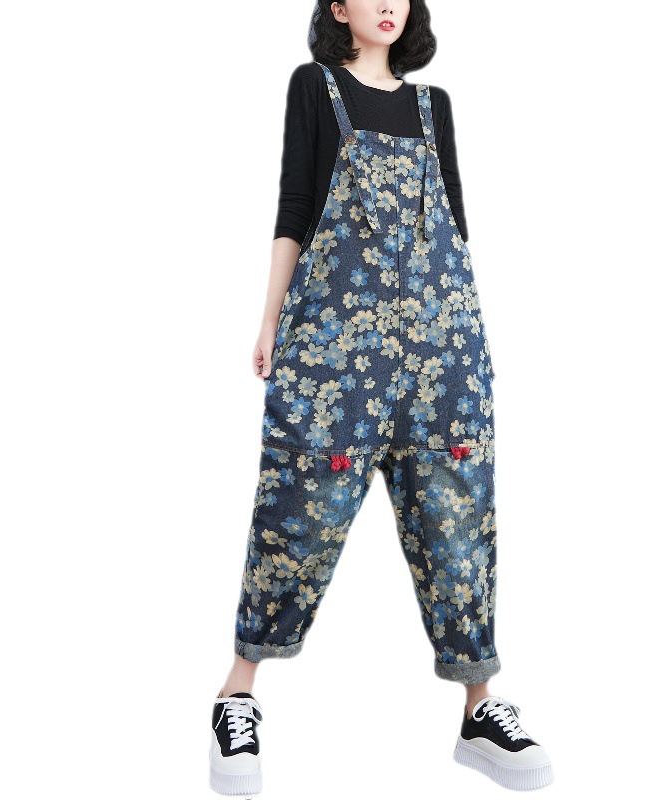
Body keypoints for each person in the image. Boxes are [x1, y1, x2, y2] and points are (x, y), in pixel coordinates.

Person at [209, 1, 553, 794]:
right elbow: (296, 208)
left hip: (442, 349)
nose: (388, 2)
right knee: (296, 513)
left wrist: (466, 336)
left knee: (458, 519)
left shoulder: (435, 106)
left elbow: (455, 230)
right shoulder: (314, 87)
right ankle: (236, 694)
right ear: (339, 7)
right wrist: (271, 319)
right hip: (335, 353)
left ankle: (479, 709)